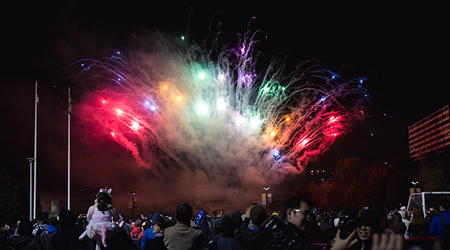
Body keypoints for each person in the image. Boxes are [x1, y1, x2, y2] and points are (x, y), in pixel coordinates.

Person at [258, 196, 358, 250]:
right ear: (289, 213)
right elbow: (300, 247)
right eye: (304, 213)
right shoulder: (279, 236)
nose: (309, 218)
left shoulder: (290, 233)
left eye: (310, 214)